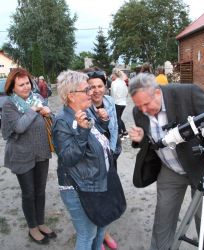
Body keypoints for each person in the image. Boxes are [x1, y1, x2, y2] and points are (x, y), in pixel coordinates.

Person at [128, 73, 204, 250]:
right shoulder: (138, 111)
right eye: (139, 106)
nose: (143, 110)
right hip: (170, 169)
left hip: (200, 166)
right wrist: (141, 139)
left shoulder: (190, 94)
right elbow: (150, 141)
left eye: (146, 104)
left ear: (157, 92)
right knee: (163, 217)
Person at [52, 70, 112, 250]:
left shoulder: (87, 110)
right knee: (88, 234)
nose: (91, 92)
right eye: (86, 90)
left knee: (101, 226)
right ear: (71, 96)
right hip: (78, 187)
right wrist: (82, 131)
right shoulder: (62, 121)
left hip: (96, 181)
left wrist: (103, 122)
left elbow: (96, 141)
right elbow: (69, 158)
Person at [1, 68, 56, 245]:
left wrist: (49, 113)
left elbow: (50, 120)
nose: (26, 87)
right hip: (21, 155)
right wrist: (33, 110)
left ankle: (40, 222)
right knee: (29, 193)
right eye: (21, 84)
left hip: (41, 152)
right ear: (12, 87)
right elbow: (19, 127)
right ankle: (32, 227)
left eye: (27, 83)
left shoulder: (38, 98)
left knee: (40, 191)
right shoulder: (9, 105)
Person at [84, 67, 120, 250]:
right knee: (95, 195)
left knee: (108, 192)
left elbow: (114, 128)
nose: (97, 90)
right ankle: (95, 232)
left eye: (100, 86)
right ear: (86, 88)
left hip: (111, 153)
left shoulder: (109, 101)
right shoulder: (83, 105)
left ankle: (104, 231)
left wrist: (112, 153)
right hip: (93, 159)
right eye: (92, 87)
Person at [110, 68, 129, 140]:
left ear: (114, 74)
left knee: (117, 118)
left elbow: (113, 94)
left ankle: (120, 134)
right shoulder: (123, 82)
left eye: (112, 74)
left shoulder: (114, 83)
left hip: (117, 102)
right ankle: (125, 132)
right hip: (123, 102)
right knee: (119, 118)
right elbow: (127, 92)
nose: (112, 76)